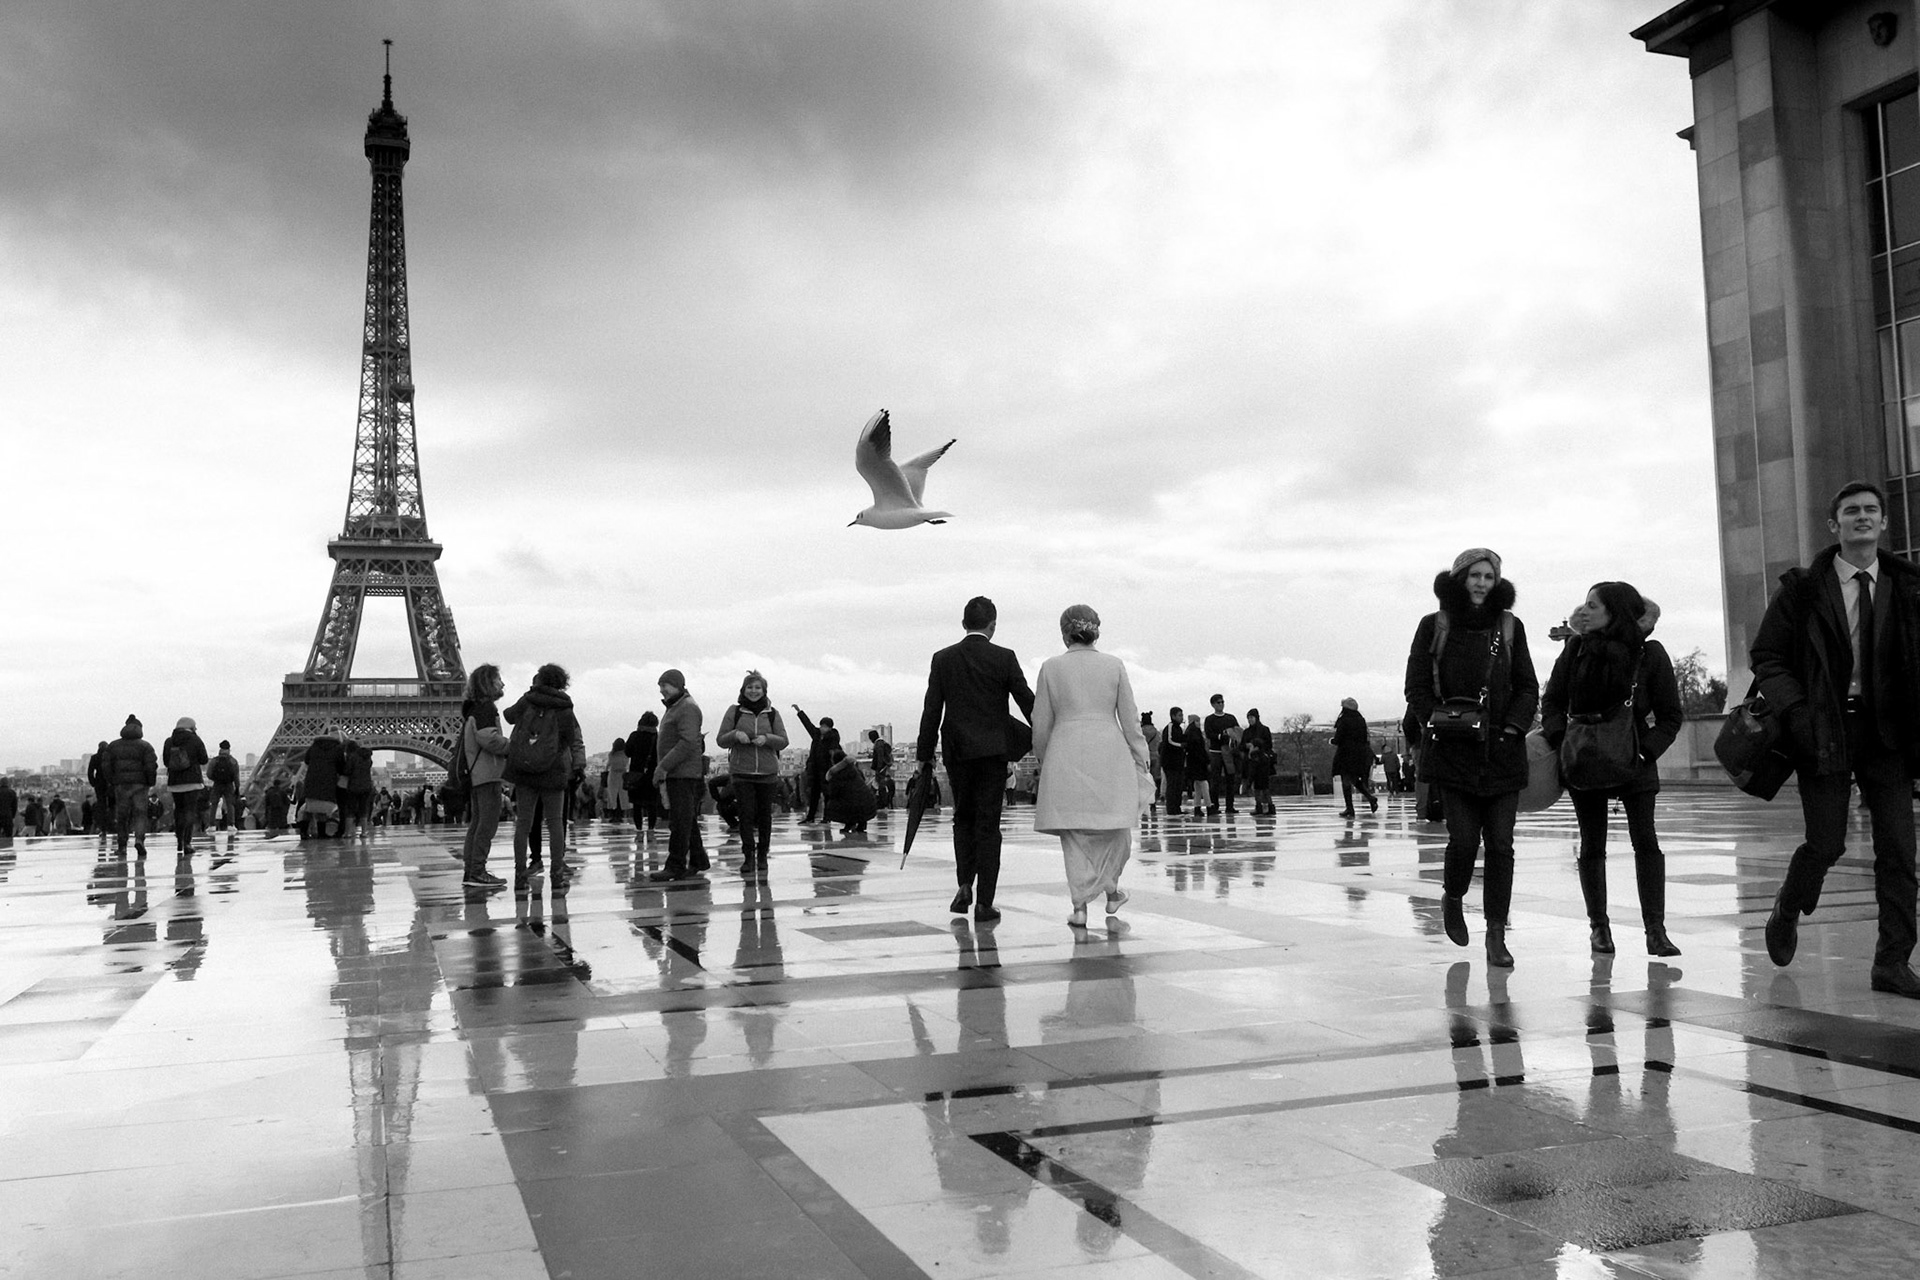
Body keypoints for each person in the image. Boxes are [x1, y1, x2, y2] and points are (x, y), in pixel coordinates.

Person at [1755, 481, 1920, 996]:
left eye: (1872, 510)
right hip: (1824, 726)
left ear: (1883, 523)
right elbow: (1769, 657)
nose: (1863, 518)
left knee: (1899, 850)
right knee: (1826, 842)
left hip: (1887, 732)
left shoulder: (1909, 586)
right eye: (1852, 511)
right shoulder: (1804, 589)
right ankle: (1787, 905)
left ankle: (1891, 963)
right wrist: (1798, 711)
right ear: (1835, 525)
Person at [1404, 547, 1539, 969]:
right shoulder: (1434, 626)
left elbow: (1527, 686)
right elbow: (1416, 686)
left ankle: (1496, 933)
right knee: (1463, 839)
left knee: (1501, 844)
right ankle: (1453, 895)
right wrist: (1439, 721)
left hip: (1502, 750)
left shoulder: (1510, 626)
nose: (1481, 583)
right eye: (1474, 575)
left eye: (1488, 576)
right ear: (1460, 579)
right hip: (1453, 750)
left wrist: (1514, 728)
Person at [1542, 582, 1685, 958]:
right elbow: (1552, 701)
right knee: (1592, 844)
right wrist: (1562, 742)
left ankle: (1656, 930)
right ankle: (1599, 929)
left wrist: (1645, 754)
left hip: (1635, 755)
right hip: (1584, 755)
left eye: (1593, 605)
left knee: (1646, 842)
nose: (1584, 610)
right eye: (1585, 604)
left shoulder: (1649, 653)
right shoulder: (1576, 650)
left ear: (1615, 611)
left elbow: (1671, 716)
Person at [916, 595, 1036, 923]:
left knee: (963, 818)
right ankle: (985, 902)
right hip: (993, 751)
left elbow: (931, 708)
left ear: (963, 624)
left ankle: (964, 884)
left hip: (957, 750)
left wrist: (924, 754)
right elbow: (1026, 701)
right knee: (988, 824)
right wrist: (1047, 731)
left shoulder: (943, 658)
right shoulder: (1004, 657)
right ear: (992, 625)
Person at [1032, 605, 1151, 926]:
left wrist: (1044, 756)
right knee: (1114, 827)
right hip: (1108, 751)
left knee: (1074, 834)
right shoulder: (1114, 666)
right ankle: (1110, 891)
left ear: (1064, 632)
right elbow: (1130, 719)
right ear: (1096, 630)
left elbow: (1040, 721)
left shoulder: (1050, 668)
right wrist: (1141, 756)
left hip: (1065, 749)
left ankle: (1081, 905)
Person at [504, 663, 588, 889]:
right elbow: (571, 738)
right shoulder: (565, 707)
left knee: (524, 823)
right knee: (555, 824)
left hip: (525, 768)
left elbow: (508, 716)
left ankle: (521, 874)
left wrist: (528, 696)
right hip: (553, 770)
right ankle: (557, 874)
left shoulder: (528, 700)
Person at [717, 671, 789, 878]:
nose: (754, 691)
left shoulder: (772, 713)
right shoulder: (735, 711)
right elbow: (721, 739)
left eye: (758, 688)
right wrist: (736, 735)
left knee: (764, 816)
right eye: (750, 687)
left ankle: (763, 855)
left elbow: (783, 740)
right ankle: (748, 855)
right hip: (742, 772)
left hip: (767, 772)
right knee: (746, 815)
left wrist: (767, 739)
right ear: (743, 689)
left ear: (764, 691)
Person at [651, 669, 711, 883]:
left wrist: (663, 767)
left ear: (678, 685)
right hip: (679, 773)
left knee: (680, 822)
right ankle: (698, 859)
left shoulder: (687, 708)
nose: (662, 690)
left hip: (684, 774)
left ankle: (675, 864)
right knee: (686, 820)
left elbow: (687, 742)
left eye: (665, 685)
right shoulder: (677, 707)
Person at [459, 664, 511, 888]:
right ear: (487, 683)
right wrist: (513, 746)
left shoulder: (473, 709)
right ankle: (478, 871)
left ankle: (471, 870)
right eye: (498, 680)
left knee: (478, 824)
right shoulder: (485, 709)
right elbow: (488, 739)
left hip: (476, 773)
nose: (502, 684)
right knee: (487, 825)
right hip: (487, 773)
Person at [102, 715, 157, 858]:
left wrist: (113, 780)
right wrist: (150, 782)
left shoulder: (113, 746)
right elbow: (151, 766)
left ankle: (122, 846)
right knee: (140, 814)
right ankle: (139, 840)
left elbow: (106, 766)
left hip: (121, 785)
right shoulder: (145, 746)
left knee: (122, 816)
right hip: (140, 784)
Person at [161, 717, 209, 857]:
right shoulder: (195, 740)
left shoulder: (169, 741)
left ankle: (179, 840)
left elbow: (165, 761)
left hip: (175, 782)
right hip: (192, 781)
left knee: (179, 811)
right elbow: (204, 759)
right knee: (190, 811)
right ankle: (188, 842)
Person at [293, 731, 346, 839]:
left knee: (309, 807)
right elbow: (341, 766)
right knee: (323, 805)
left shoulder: (314, 747)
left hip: (312, 779)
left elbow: (307, 761)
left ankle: (304, 832)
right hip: (328, 780)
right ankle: (322, 833)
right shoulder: (338, 748)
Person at [793, 706, 840, 824]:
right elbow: (807, 724)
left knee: (827, 794)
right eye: (821, 726)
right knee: (813, 794)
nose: (822, 728)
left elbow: (835, 753)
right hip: (814, 770)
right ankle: (810, 817)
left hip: (826, 770)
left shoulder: (833, 738)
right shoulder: (816, 735)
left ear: (830, 728)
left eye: (825, 726)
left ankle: (827, 817)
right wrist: (799, 712)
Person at [1332, 698, 1379, 817]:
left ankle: (1350, 808)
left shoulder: (1344, 719)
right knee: (1354, 779)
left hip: (1346, 753)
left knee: (1346, 779)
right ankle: (1369, 797)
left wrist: (1332, 741)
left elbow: (1338, 738)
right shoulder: (1360, 720)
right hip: (1359, 754)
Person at [824, 748, 878, 833]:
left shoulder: (837, 774)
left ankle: (849, 823)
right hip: (870, 803)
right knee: (854, 798)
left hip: (855, 805)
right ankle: (861, 824)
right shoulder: (855, 770)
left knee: (842, 801)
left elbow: (834, 792)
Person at [625, 713, 662, 834]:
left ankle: (639, 828)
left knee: (637, 803)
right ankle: (651, 828)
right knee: (652, 803)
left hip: (636, 773)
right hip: (652, 773)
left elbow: (627, 752)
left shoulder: (635, 736)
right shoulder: (658, 737)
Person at [1203, 695, 1240, 816]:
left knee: (1230, 778)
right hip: (1216, 752)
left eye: (1222, 702)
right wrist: (1220, 736)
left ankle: (1230, 805)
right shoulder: (1209, 719)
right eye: (1218, 702)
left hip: (1228, 752)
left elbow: (1237, 731)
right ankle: (1214, 805)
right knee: (1215, 780)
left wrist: (1233, 737)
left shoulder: (1230, 718)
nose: (1221, 704)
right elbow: (1209, 734)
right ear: (1213, 704)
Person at [1243, 709, 1276, 816]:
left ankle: (1268, 806)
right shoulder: (1247, 732)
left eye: (1251, 718)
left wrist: (1257, 746)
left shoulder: (1264, 730)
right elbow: (1241, 746)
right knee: (1257, 786)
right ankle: (1260, 806)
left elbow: (1268, 745)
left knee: (1263, 786)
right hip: (1252, 761)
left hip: (1263, 761)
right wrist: (1247, 746)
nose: (1250, 720)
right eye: (1248, 718)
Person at [207, 740, 243, 831]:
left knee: (214, 804)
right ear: (229, 749)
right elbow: (236, 775)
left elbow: (209, 773)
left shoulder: (215, 760)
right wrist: (237, 787)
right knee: (230, 805)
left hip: (217, 784)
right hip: (228, 784)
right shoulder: (233, 761)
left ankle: (212, 825)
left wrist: (215, 779)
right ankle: (231, 825)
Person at [1159, 706, 1186, 816]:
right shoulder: (1170, 727)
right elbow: (1169, 741)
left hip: (1178, 762)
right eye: (1179, 715)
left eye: (1182, 715)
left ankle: (1177, 807)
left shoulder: (1179, 729)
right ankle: (1171, 808)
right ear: (1173, 716)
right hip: (1169, 762)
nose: (1181, 717)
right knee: (1172, 784)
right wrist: (1181, 745)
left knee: (1178, 785)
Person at [1181, 713, 1209, 818]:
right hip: (1199, 763)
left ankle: (1197, 807)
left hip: (1192, 763)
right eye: (1197, 721)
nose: (1199, 724)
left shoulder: (1188, 733)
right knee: (1204, 784)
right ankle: (1209, 805)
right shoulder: (1196, 735)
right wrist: (1206, 760)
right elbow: (1200, 750)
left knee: (1197, 786)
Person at [87, 741, 113, 839]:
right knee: (112, 806)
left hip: (99, 784)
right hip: (111, 784)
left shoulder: (95, 757)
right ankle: (113, 826)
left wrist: (94, 783)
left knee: (102, 806)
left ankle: (103, 829)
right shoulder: (111, 757)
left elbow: (90, 772)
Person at [1139, 713, 1162, 815]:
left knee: (1145, 781)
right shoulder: (1156, 731)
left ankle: (1145, 803)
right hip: (1156, 757)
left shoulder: (1140, 731)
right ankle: (1154, 803)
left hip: (1145, 758)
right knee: (1155, 781)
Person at [867, 729, 896, 809]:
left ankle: (878, 802)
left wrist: (879, 768)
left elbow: (880, 756)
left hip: (880, 768)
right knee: (878, 785)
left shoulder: (878, 744)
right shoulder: (881, 743)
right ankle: (879, 802)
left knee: (879, 785)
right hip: (882, 768)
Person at [606, 738, 631, 825]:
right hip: (622, 775)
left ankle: (614, 814)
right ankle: (619, 815)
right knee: (622, 796)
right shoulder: (626, 754)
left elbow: (608, 765)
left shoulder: (611, 755)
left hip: (613, 775)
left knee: (613, 796)